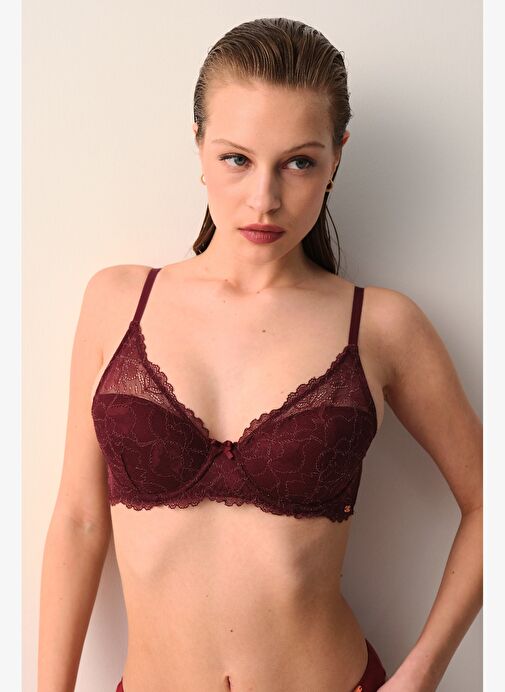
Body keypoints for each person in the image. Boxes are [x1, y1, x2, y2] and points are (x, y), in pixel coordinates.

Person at [37, 17, 483, 692]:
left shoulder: (381, 326)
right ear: (198, 145)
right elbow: (77, 520)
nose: (264, 199)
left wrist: (421, 673)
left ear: (337, 157)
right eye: (237, 159)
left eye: (299, 162)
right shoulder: (118, 302)